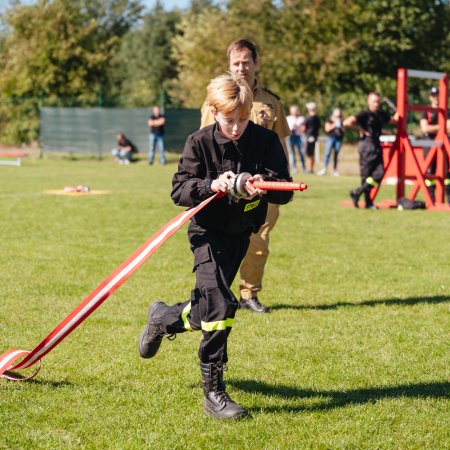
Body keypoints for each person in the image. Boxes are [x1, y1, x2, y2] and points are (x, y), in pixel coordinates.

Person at [138, 74, 293, 420]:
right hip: (207, 234)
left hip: (241, 235)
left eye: (243, 119)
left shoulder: (266, 140)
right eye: (229, 120)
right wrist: (212, 185)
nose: (236, 127)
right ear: (214, 111)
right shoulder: (199, 142)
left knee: (207, 307)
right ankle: (214, 392)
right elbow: (179, 190)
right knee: (222, 303)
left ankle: (163, 318)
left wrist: (261, 186)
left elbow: (284, 190)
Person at [201, 39, 291, 313]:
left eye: (246, 62)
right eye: (236, 63)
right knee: (221, 243)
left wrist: (281, 183)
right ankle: (220, 293)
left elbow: (280, 144)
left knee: (259, 241)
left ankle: (249, 294)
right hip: (226, 189)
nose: (241, 68)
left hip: (262, 188)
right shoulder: (215, 101)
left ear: (256, 63)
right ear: (229, 65)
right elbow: (205, 142)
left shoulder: (271, 101)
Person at [344, 92, 398, 209]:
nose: (376, 104)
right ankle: (368, 203)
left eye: (378, 101)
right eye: (374, 101)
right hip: (366, 146)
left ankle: (357, 192)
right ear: (369, 102)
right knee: (366, 175)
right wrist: (360, 129)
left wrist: (398, 110)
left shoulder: (381, 114)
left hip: (376, 145)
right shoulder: (364, 114)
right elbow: (347, 122)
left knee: (380, 173)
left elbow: (395, 121)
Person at [419, 87, 450, 204]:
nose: (436, 97)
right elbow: (425, 128)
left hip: (444, 144)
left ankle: (448, 199)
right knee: (430, 172)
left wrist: (435, 128)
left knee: (447, 172)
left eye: (438, 95)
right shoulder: (426, 111)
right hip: (429, 144)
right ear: (430, 97)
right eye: (434, 95)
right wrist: (441, 127)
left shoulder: (448, 112)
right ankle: (430, 199)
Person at [317, 108, 345, 176]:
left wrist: (341, 125)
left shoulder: (342, 121)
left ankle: (334, 170)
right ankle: (324, 169)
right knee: (327, 153)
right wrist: (335, 124)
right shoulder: (329, 120)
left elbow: (344, 131)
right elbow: (327, 129)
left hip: (338, 139)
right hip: (330, 138)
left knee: (336, 155)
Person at [286, 105, 306, 174]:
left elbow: (303, 128)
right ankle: (294, 168)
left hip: (298, 136)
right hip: (290, 136)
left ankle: (304, 167)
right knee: (292, 153)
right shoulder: (288, 118)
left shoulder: (301, 118)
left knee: (301, 152)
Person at [304, 102, 321, 173]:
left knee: (309, 153)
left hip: (310, 137)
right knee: (311, 153)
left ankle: (310, 169)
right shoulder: (317, 118)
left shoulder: (309, 118)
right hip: (314, 137)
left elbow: (304, 128)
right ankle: (311, 168)